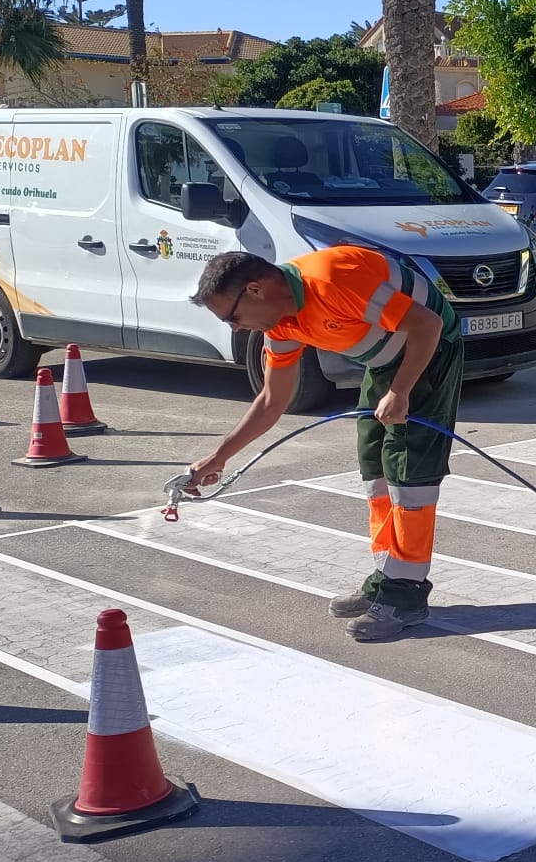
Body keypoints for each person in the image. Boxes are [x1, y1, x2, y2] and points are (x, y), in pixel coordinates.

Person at [188, 246, 462, 642]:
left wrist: (401, 391)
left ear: (255, 290)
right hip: (385, 363)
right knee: (375, 469)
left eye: (232, 316)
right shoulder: (280, 325)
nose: (235, 328)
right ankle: (386, 577)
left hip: (430, 350)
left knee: (409, 474)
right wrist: (219, 458)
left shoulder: (332, 279)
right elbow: (272, 400)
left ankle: (406, 595)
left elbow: (428, 324)